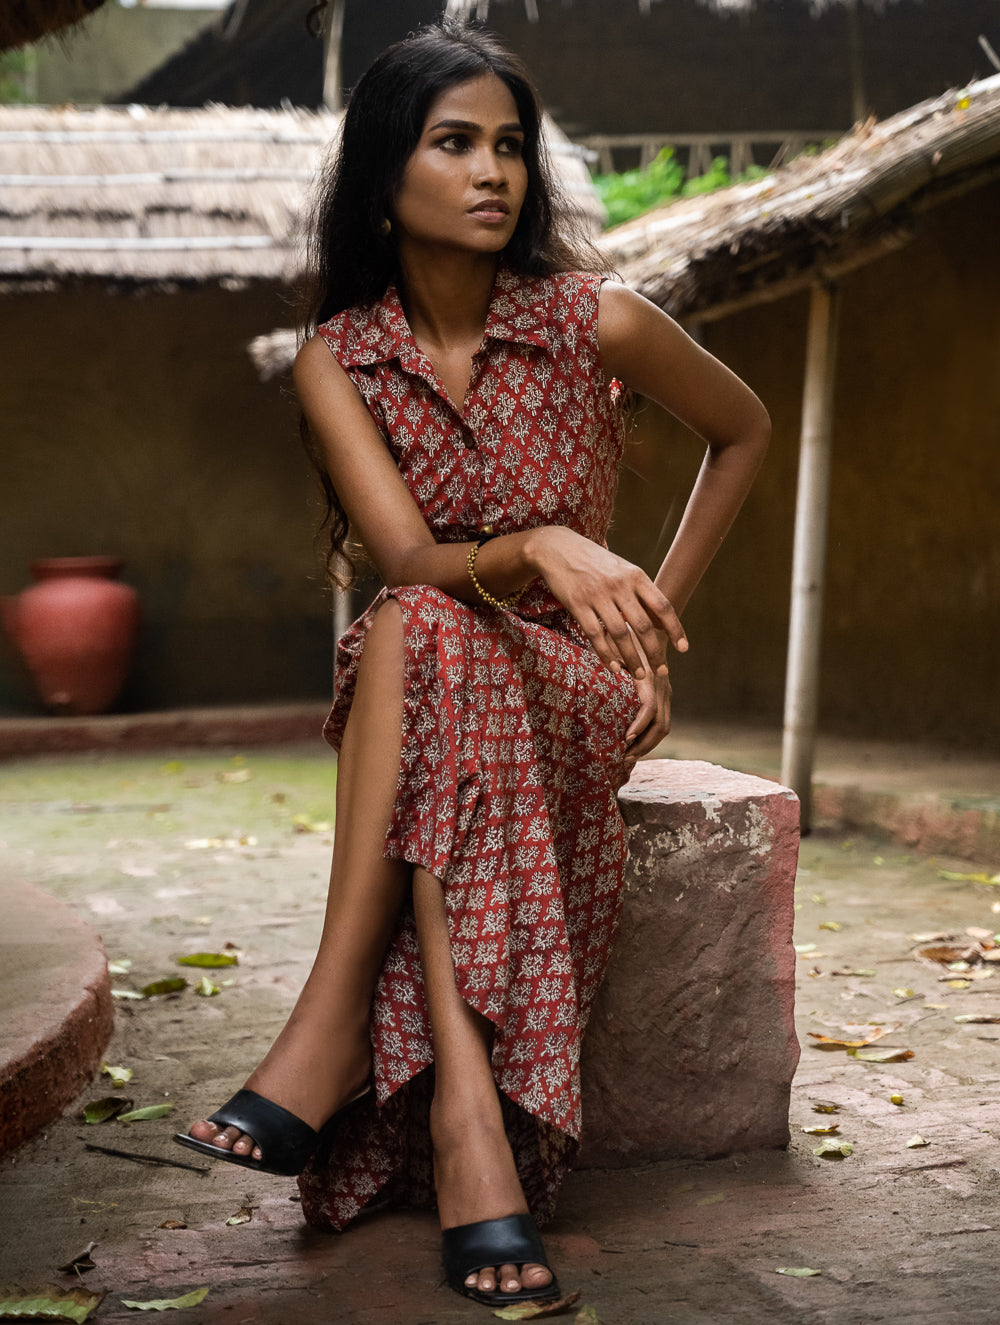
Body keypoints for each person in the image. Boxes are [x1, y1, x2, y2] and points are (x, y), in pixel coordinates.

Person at [176, 21, 770, 1308]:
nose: (494, 170)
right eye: (455, 143)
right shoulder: (343, 359)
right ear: (385, 173)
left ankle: (325, 1032)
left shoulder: (590, 319)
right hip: (437, 666)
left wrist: (646, 617)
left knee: (412, 629)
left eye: (508, 144)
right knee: (420, 622)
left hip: (570, 683)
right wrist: (540, 540)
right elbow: (406, 556)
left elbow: (743, 428)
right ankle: (469, 1122)